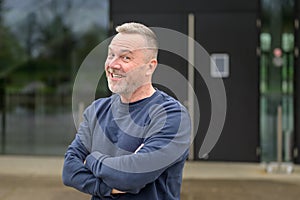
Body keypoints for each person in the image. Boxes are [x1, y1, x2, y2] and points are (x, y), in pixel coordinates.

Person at [62, 22, 191, 200]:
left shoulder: (171, 115)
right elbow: (69, 170)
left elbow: (131, 176)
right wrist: (106, 188)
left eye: (126, 58)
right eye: (111, 55)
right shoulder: (97, 110)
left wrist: (91, 159)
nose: (112, 65)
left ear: (150, 66)